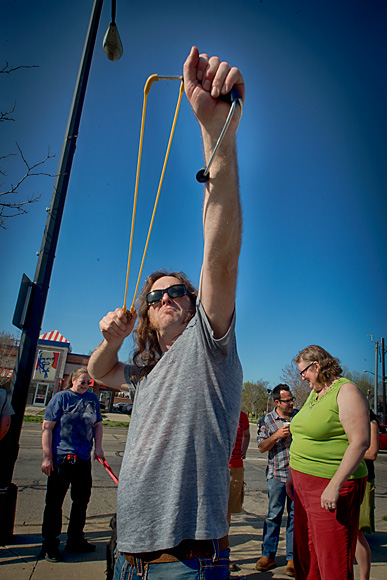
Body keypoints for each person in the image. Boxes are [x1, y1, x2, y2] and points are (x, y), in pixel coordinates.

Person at [88, 45, 244, 580]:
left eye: (178, 290)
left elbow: (219, 258)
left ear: (195, 302)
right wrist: (110, 340)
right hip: (127, 555)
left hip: (185, 561)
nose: (168, 298)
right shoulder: (148, 370)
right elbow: (97, 373)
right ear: (148, 317)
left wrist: (215, 131)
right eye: (155, 297)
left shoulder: (207, 346)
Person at [288, 345, 370, 580]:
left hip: (330, 485)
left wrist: (334, 485)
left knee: (332, 558)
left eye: (303, 371)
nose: (302, 377)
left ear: (317, 366)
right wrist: (293, 477)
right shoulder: (316, 393)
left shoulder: (346, 391)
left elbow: (360, 442)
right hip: (303, 486)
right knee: (309, 554)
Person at [40, 367, 104, 562]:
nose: (85, 385)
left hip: (83, 459)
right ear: (73, 380)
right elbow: (47, 427)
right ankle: (50, 544)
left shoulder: (92, 399)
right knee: (54, 503)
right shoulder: (61, 398)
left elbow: (97, 425)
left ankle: (75, 539)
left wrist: (98, 448)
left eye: (88, 382)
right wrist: (47, 457)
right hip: (62, 458)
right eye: (82, 381)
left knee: (81, 501)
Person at [255, 384, 298, 577]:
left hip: (298, 475)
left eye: (292, 399)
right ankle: (268, 555)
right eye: (287, 400)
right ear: (277, 402)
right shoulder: (267, 420)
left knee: (295, 518)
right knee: (274, 515)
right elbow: (262, 447)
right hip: (277, 475)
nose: (291, 403)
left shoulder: (299, 416)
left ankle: (292, 558)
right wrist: (277, 435)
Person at [355, 409, 379, 580]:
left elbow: (372, 453)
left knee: (357, 532)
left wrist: (346, 454)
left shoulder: (371, 422)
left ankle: (364, 577)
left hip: (364, 478)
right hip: (345, 478)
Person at [228, 410, 250, 572]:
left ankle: (223, 555)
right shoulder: (217, 408)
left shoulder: (242, 416)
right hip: (215, 468)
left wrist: (244, 450)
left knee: (227, 515)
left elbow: (247, 435)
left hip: (235, 468)